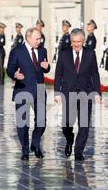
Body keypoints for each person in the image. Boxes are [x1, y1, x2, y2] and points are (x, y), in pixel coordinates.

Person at [54, 28, 101, 161]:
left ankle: (78, 151)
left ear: (83, 40)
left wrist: (97, 92)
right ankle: (69, 140)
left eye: (78, 42)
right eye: (74, 41)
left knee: (84, 125)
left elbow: (95, 74)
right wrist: (57, 92)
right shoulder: (64, 54)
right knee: (67, 124)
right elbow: (59, 74)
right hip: (69, 93)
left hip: (86, 92)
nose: (76, 44)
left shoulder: (90, 53)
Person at [6, 28, 51, 160]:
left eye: (40, 38)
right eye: (37, 39)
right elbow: (9, 68)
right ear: (28, 38)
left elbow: (46, 68)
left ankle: (35, 144)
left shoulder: (42, 50)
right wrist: (15, 74)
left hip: (40, 90)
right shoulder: (17, 51)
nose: (39, 41)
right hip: (23, 89)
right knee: (22, 123)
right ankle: (25, 150)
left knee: (41, 122)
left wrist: (47, 67)